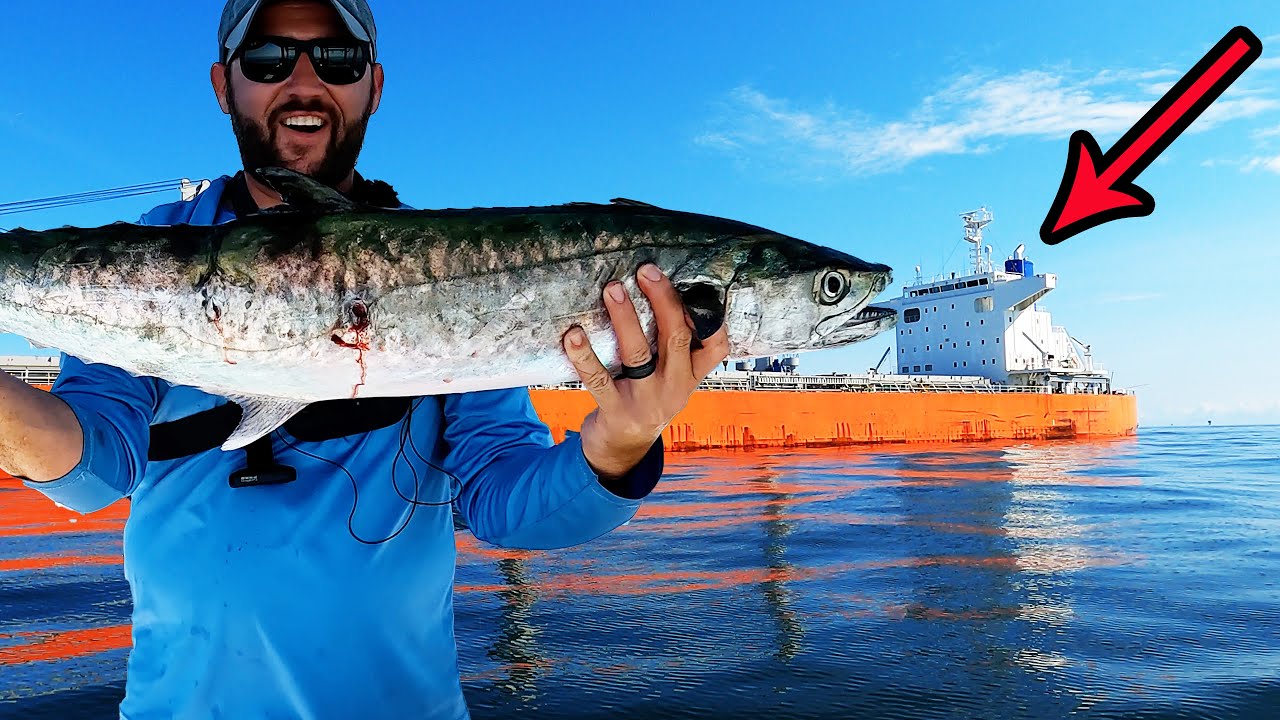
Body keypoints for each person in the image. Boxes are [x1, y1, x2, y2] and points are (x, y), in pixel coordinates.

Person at [0, 1, 730, 718]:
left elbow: (507, 506)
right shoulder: (140, 260)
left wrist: (619, 446)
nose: (304, 80)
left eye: (337, 58)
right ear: (224, 84)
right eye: (268, 58)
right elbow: (91, 471)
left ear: (373, 85)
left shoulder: (459, 267)